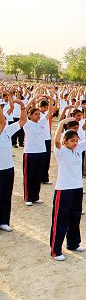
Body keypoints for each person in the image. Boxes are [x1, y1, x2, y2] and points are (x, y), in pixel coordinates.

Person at [50, 117, 86, 261]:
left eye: (76, 140)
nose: (75, 143)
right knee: (60, 220)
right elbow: (56, 140)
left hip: (77, 188)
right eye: (72, 141)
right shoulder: (61, 151)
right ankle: (56, 250)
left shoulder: (78, 149)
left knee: (75, 218)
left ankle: (73, 244)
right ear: (65, 141)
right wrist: (62, 124)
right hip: (64, 190)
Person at [0, 96, 27, 232]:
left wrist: (22, 106)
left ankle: (4, 221)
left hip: (8, 168)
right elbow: (2, 123)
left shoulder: (7, 131)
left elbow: (22, 121)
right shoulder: (3, 126)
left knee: (6, 195)